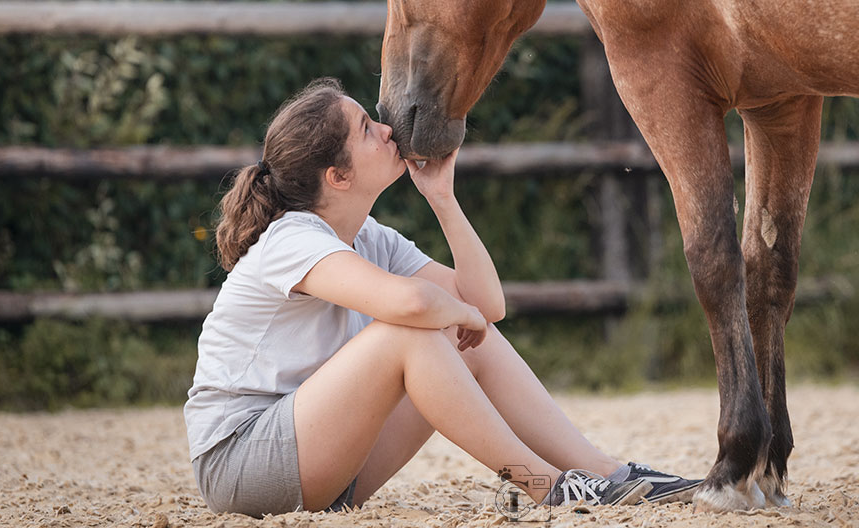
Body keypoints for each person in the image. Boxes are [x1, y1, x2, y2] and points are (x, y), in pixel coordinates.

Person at [183, 78, 701, 517]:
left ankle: (606, 475)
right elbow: (411, 307)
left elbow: (488, 306)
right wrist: (455, 315)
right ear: (337, 177)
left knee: (444, 333)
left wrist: (443, 199)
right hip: (241, 462)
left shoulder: (370, 237)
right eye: (367, 128)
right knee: (412, 336)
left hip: (327, 463)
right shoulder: (290, 238)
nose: (388, 130)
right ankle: (550, 488)